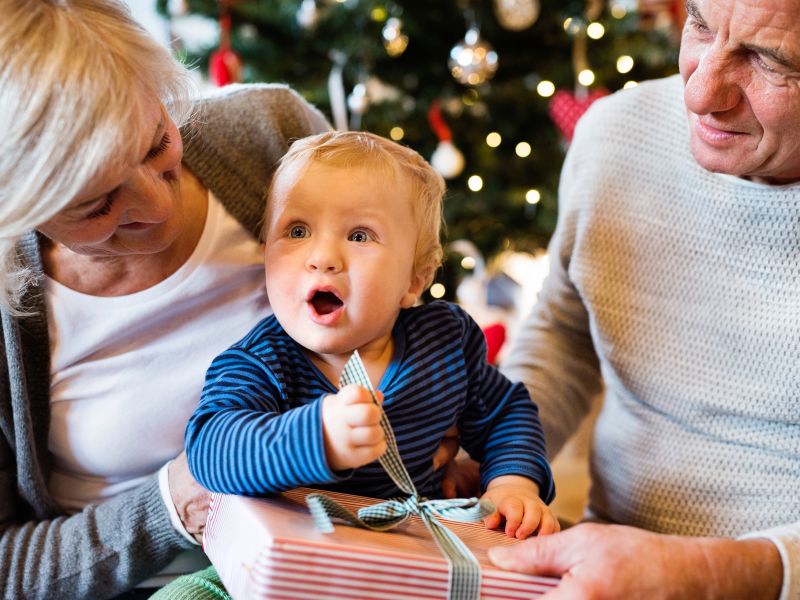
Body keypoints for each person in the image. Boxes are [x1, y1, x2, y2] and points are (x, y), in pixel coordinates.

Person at [0, 1, 332, 597]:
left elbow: (398, 302)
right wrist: (173, 502)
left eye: (157, 146)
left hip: (348, 548)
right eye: (95, 204)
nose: (158, 209)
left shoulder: (269, 135)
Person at [490, 0, 800, 597]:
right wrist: (496, 455)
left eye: (767, 59)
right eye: (702, 24)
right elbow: (565, 329)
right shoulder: (617, 134)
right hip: (601, 566)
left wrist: (709, 575)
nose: (700, 92)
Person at [184, 130, 559, 540]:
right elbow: (210, 448)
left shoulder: (444, 342)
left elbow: (506, 413)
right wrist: (318, 438)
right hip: (288, 557)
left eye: (359, 236)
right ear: (265, 253)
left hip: (412, 549)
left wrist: (513, 484)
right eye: (296, 231)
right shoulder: (259, 363)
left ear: (414, 281)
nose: (323, 258)